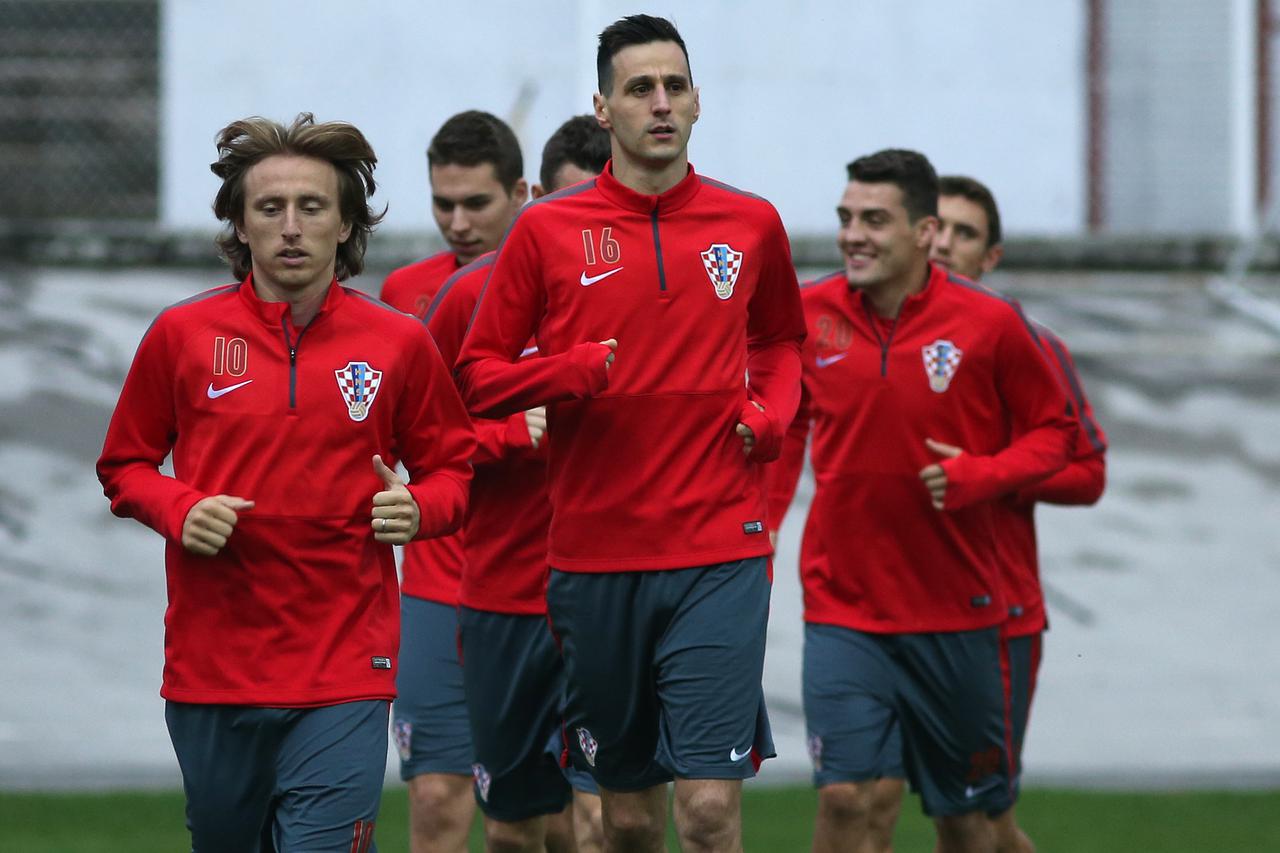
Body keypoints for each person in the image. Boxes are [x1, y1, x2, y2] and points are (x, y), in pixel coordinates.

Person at [455, 14, 807, 852]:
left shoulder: (751, 222)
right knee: (628, 816)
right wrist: (565, 372)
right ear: (603, 108)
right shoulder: (546, 232)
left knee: (711, 810)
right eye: (639, 88)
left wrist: (769, 413)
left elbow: (781, 341)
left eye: (674, 86)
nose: (660, 103)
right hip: (593, 559)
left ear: (696, 104)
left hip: (720, 549)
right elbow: (476, 373)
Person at [96, 113, 475, 853]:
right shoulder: (181, 335)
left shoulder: (399, 342)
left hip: (345, 667)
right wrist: (180, 506)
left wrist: (419, 507)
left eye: (313, 207)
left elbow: (455, 471)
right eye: (270, 208)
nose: (291, 226)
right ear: (239, 224)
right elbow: (124, 466)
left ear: (345, 224)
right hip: (213, 672)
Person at [767, 149, 1074, 853]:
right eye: (846, 218)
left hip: (959, 615)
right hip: (844, 609)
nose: (853, 234)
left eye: (874, 219)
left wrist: (983, 475)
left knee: (967, 823)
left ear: (923, 231)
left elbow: (1057, 435)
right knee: (844, 796)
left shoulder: (990, 324)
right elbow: (777, 416)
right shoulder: (808, 313)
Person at [423, 113, 611, 853]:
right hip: (501, 593)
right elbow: (417, 442)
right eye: (572, 205)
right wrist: (507, 433)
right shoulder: (466, 298)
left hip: (611, 591)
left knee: (607, 817)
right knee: (510, 830)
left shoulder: (655, 295)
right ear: (537, 200)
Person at [929, 174, 1109, 853]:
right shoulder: (869, 338)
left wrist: (990, 473)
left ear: (991, 258)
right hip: (883, 614)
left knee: (979, 823)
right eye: (937, 225)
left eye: (965, 233)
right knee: (860, 798)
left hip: (997, 615)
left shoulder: (1031, 346)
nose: (945, 242)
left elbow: (1088, 472)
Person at [381, 110, 526, 853]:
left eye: (478, 204)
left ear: (522, 194)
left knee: (552, 819)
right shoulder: (407, 291)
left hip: (541, 579)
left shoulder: (565, 289)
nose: (458, 221)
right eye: (444, 204)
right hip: (438, 579)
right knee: (437, 796)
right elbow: (401, 438)